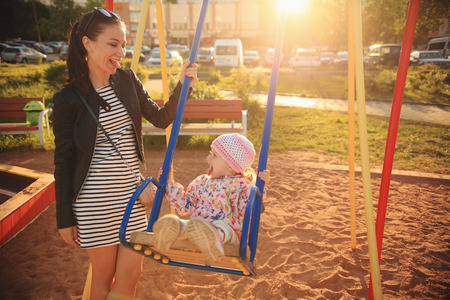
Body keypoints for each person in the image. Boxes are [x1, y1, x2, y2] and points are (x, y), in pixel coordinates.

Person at [52, 7, 198, 300]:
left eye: (124, 44)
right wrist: (64, 218)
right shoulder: (68, 99)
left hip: (130, 198)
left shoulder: (128, 80)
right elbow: (64, 161)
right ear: (88, 44)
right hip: (96, 204)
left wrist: (185, 85)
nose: (122, 51)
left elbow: (160, 118)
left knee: (131, 276)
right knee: (103, 280)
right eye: (113, 44)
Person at [153, 133, 270, 265]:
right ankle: (173, 228)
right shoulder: (201, 182)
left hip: (229, 234)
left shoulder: (241, 185)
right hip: (199, 228)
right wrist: (169, 183)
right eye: (210, 153)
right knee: (188, 225)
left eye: (214, 155)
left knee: (221, 227)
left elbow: (250, 210)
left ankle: (211, 240)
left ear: (231, 165)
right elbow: (185, 205)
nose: (209, 158)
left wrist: (261, 187)